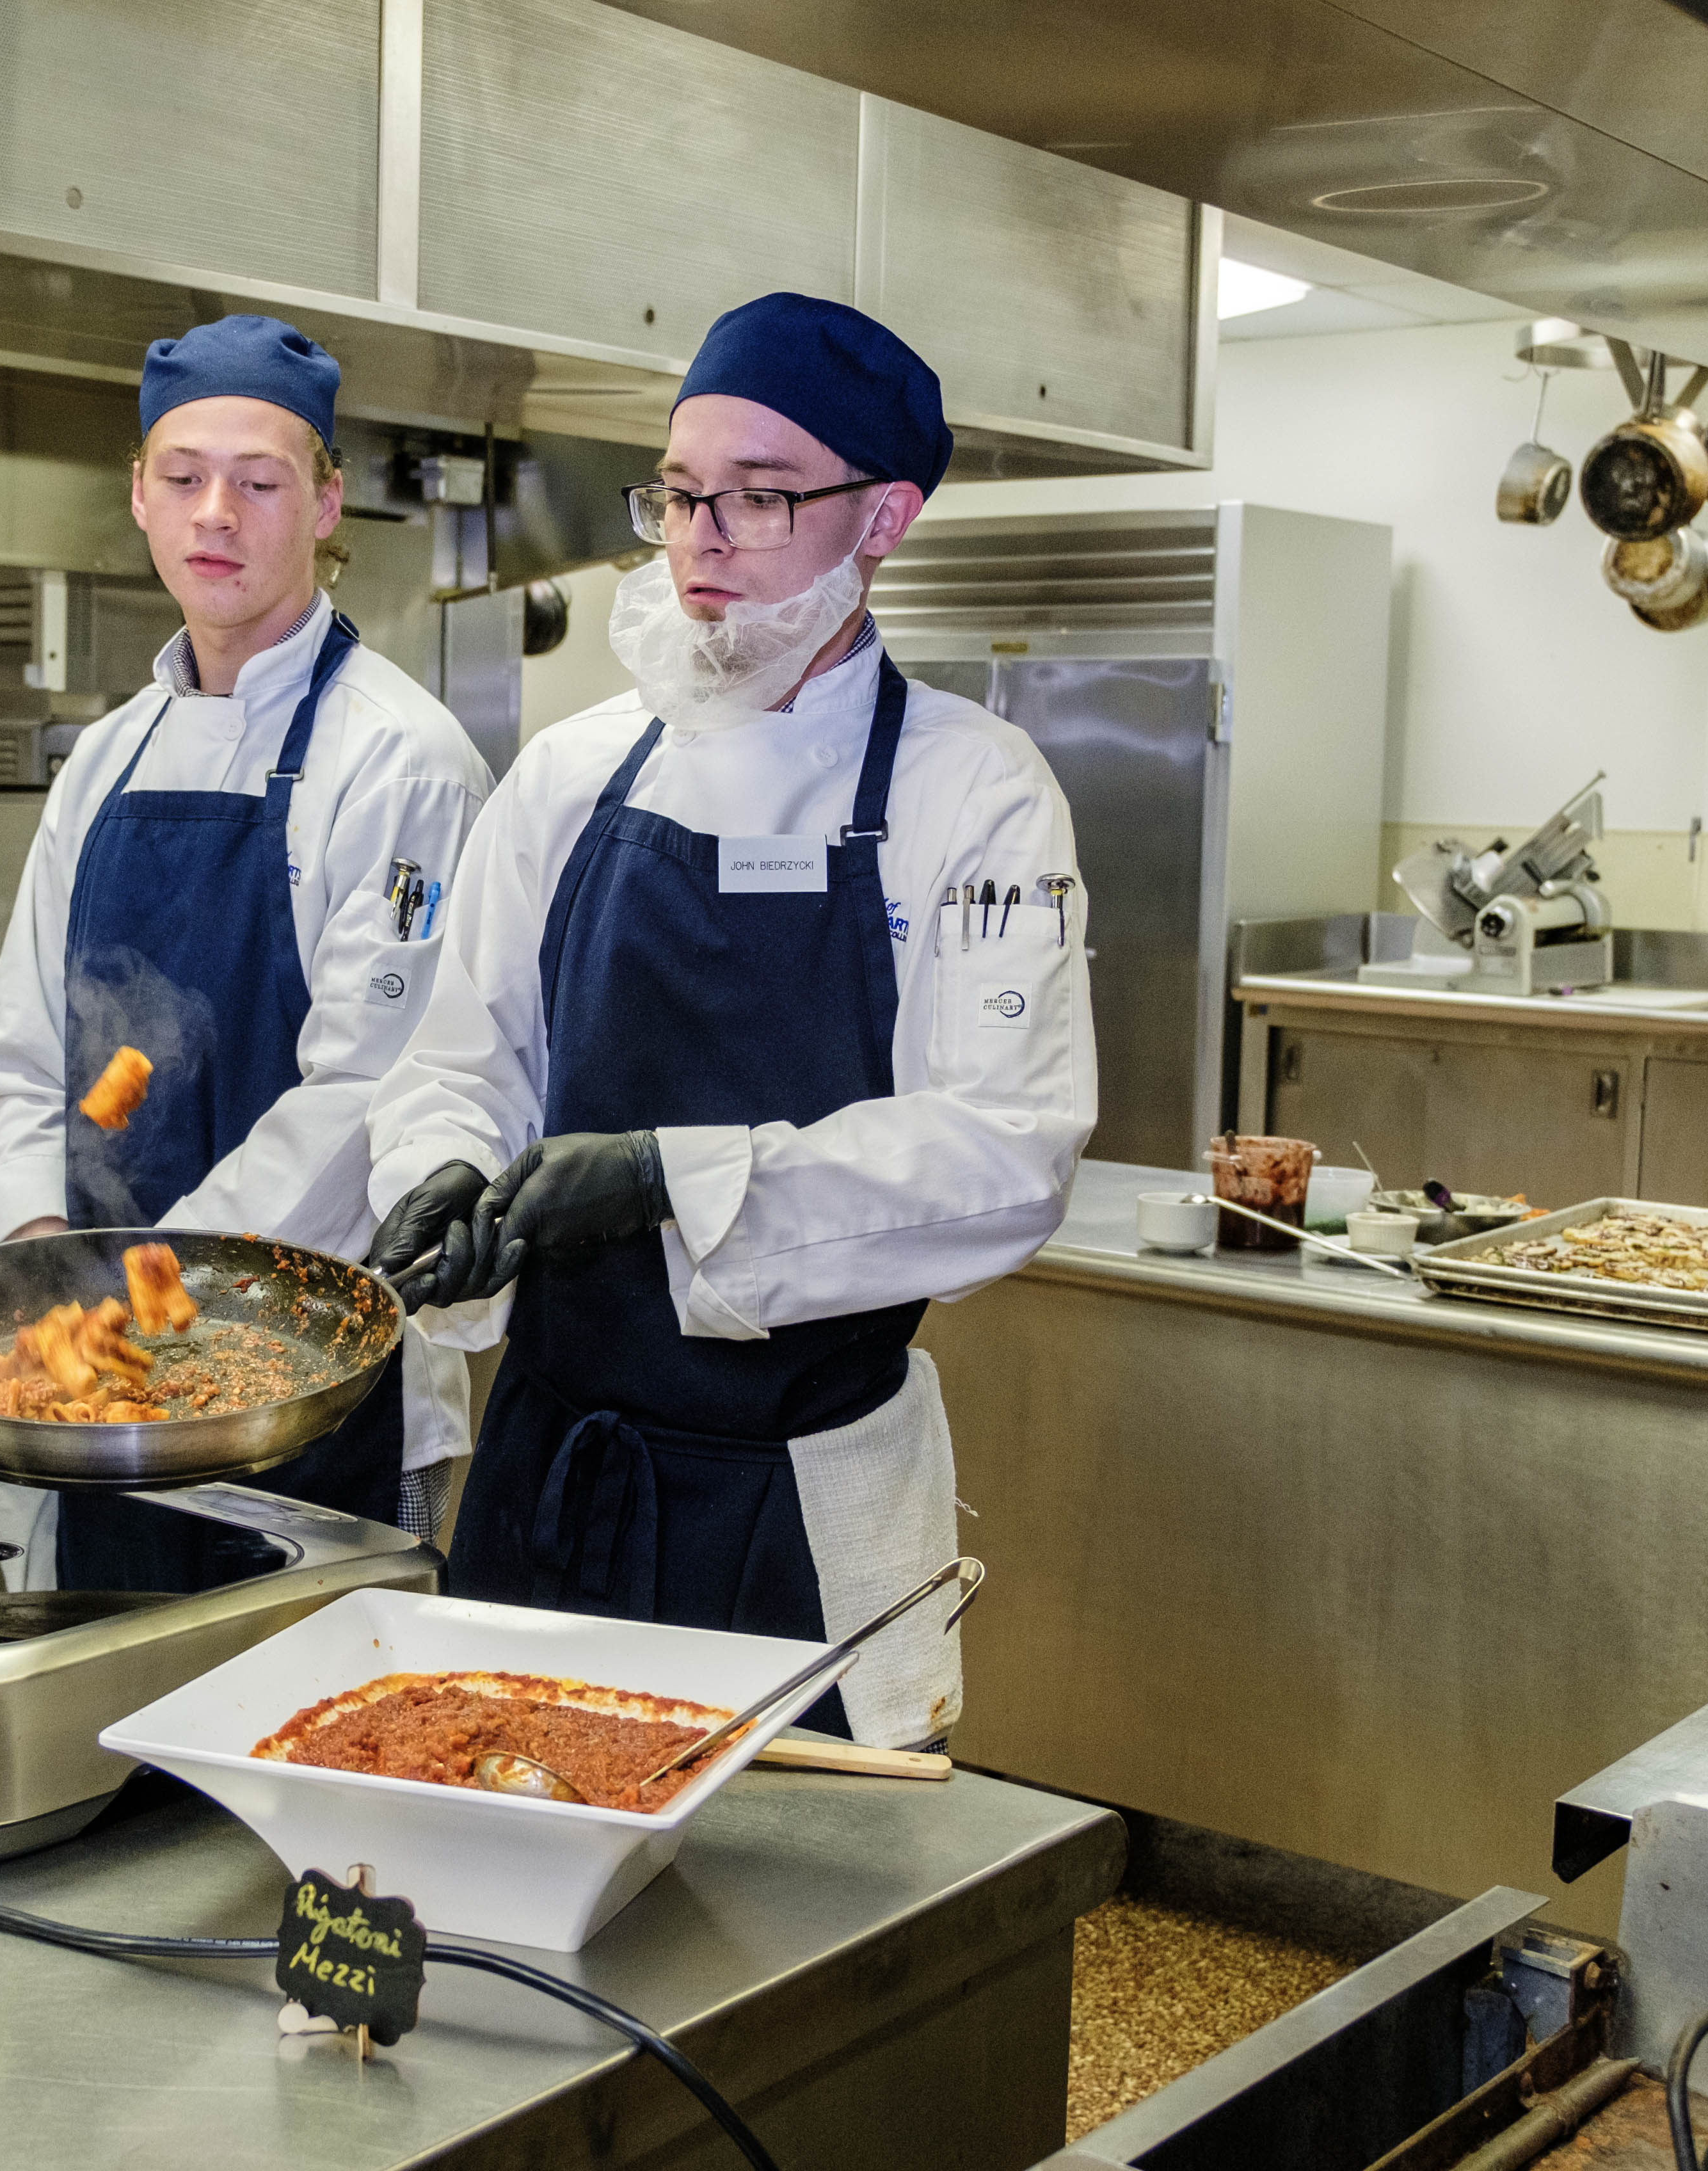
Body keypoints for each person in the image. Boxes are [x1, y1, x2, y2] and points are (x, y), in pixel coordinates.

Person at [364, 294, 1095, 1745]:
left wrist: (660, 1177)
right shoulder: (574, 775)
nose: (701, 538)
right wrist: (442, 1166)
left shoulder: (976, 790)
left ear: (883, 518)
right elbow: (461, 1057)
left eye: (760, 500)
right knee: (499, 1874)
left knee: (783, 1926)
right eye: (682, 495)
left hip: (799, 1508)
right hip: (550, 1475)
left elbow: (1008, 1152)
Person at [0, 314, 494, 1533]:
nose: (216, 515)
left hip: (304, 1379)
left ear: (328, 503)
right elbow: (20, 1042)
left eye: (260, 482)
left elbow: (370, 1090)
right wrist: (42, 1257)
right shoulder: (106, 757)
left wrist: (155, 1294)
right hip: (94, 1379)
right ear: (138, 496)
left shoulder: (404, 761)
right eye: (184, 478)